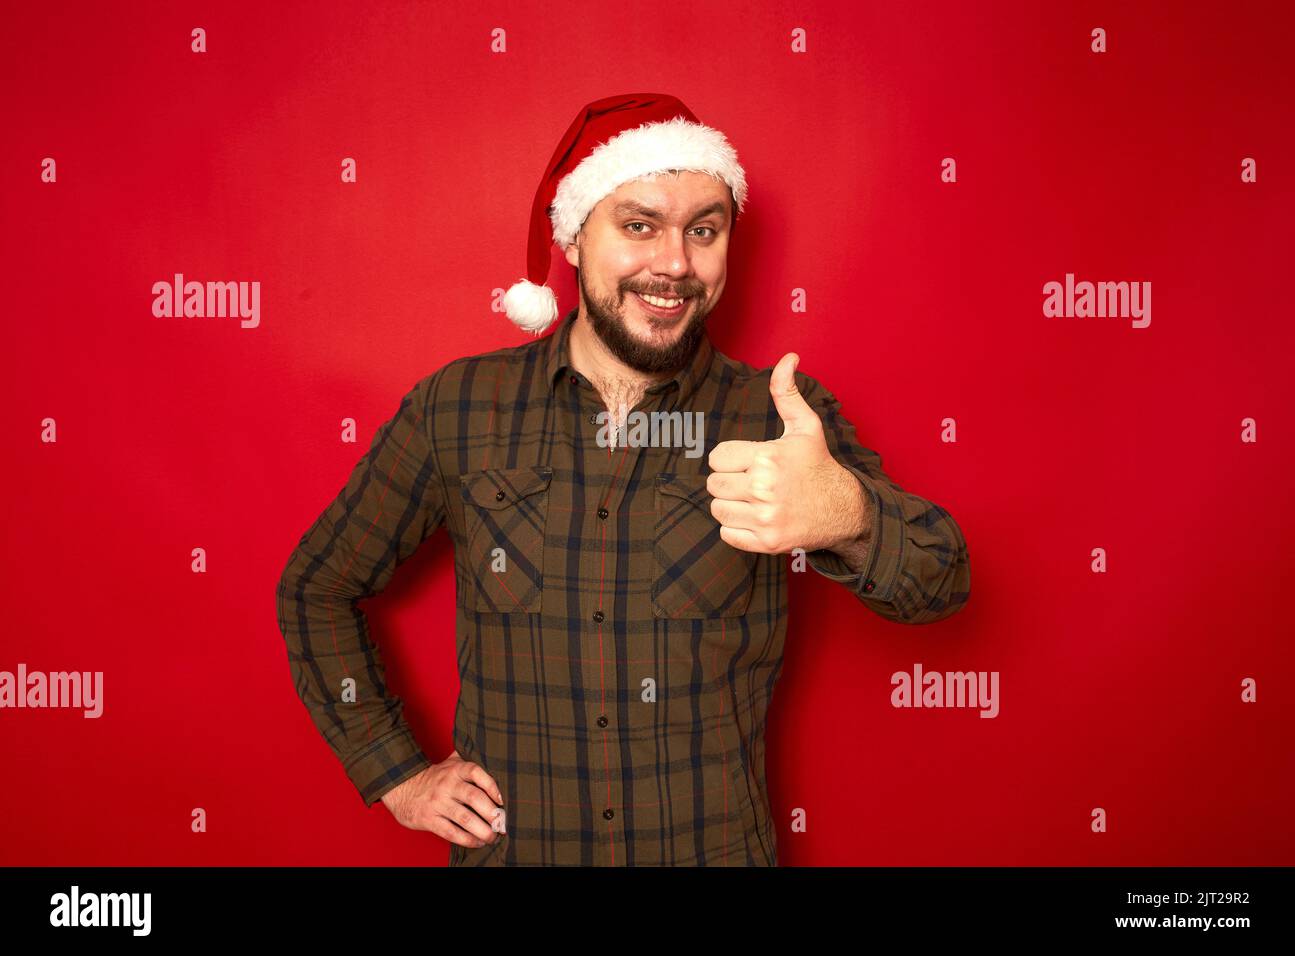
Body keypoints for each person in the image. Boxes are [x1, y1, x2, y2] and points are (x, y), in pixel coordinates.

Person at [276, 93, 971, 867]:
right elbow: (317, 587)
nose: (674, 263)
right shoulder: (458, 406)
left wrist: (850, 517)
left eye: (703, 231)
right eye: (639, 226)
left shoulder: (777, 415)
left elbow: (943, 580)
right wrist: (394, 771)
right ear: (574, 240)